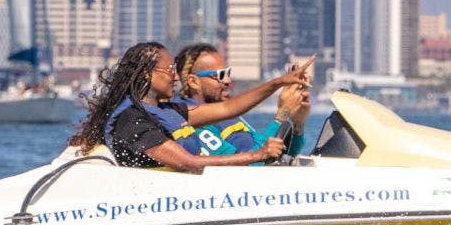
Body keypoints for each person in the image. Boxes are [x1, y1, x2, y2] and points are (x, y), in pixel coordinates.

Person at [69, 42, 303, 172]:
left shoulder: (168, 110)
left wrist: (278, 82)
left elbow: (228, 110)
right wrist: (258, 155)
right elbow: (186, 162)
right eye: (170, 70)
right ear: (146, 74)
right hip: (160, 204)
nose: (175, 77)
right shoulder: (131, 120)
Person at [172, 43, 311, 163]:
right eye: (220, 75)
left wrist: (298, 123)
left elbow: (282, 156)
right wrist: (282, 115)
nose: (228, 81)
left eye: (228, 73)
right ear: (193, 82)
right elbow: (247, 170)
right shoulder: (190, 123)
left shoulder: (227, 115)